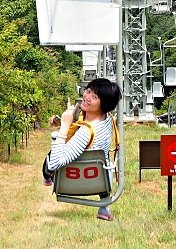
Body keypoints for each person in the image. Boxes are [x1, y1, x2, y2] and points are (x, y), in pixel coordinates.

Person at [43, 78, 121, 221]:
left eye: (95, 97)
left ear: (104, 105)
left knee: (51, 154)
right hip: (101, 180)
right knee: (100, 157)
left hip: (76, 179)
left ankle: (47, 177)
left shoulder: (86, 133)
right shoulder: (107, 118)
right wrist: (63, 123)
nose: (87, 97)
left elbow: (55, 162)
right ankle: (104, 207)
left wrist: (64, 129)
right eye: (88, 91)